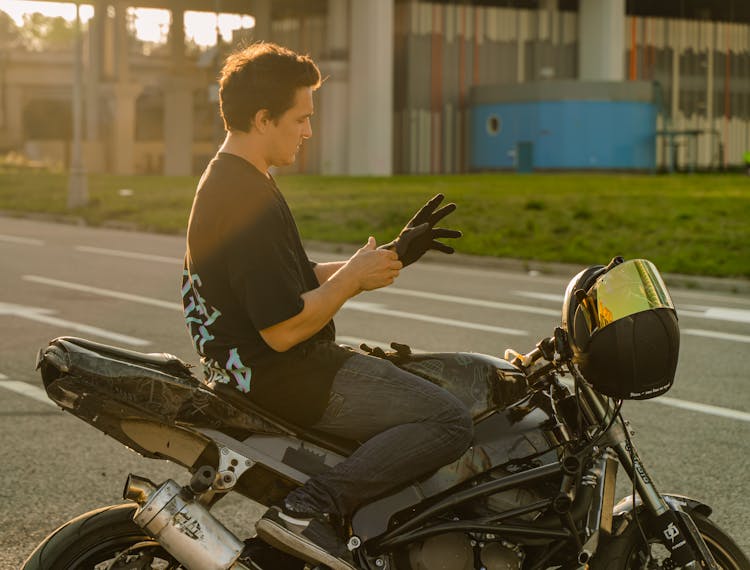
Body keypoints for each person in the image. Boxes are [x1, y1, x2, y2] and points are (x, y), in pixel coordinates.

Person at [181, 42, 473, 570]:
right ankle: (310, 509)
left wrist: (390, 255)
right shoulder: (243, 195)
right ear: (264, 118)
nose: (309, 132)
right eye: (301, 118)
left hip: (253, 371)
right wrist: (354, 283)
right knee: (449, 419)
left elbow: (293, 282)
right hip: (284, 373)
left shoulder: (239, 179)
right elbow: (283, 328)